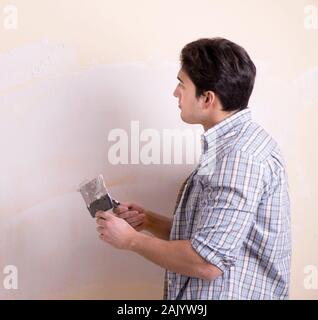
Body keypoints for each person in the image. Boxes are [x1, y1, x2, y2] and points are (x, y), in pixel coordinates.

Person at [95, 37, 291, 300]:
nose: (175, 92)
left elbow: (206, 262)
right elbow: (216, 235)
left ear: (207, 98)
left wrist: (131, 240)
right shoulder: (235, 146)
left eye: (181, 84)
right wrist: (149, 221)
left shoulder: (239, 157)